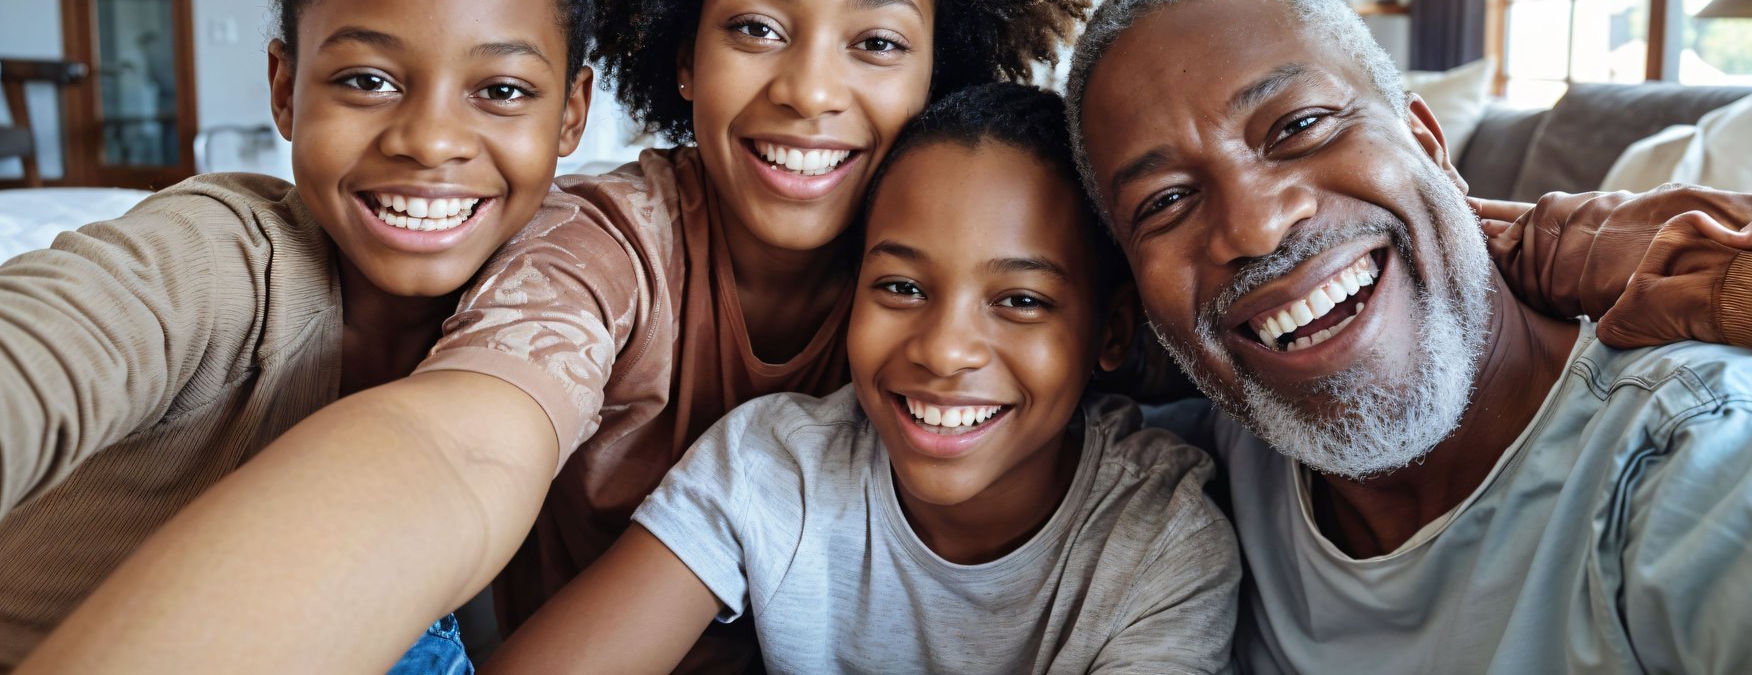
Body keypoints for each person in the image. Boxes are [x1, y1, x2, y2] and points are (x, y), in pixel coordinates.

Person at [22, 0, 1104, 673]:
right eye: (757, 28)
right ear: (683, 55)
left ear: (939, 71)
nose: (811, 88)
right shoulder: (602, 242)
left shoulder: (1004, 284)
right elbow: (462, 441)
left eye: (876, 43)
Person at [1064, 0, 1752, 674]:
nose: (1254, 225)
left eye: (1302, 126)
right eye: (1166, 202)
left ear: (1430, 145)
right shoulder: (1207, 466)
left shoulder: (1716, 470)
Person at [0, 0, 596, 674]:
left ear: (571, 112)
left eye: (501, 90)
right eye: (367, 81)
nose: (430, 141)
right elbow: (51, 339)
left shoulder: (559, 282)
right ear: (284, 88)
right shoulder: (220, 255)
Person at [484, 84, 1239, 675]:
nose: (944, 351)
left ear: (1108, 332)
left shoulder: (1162, 539)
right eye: (902, 288)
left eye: (1021, 302)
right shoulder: (774, 468)